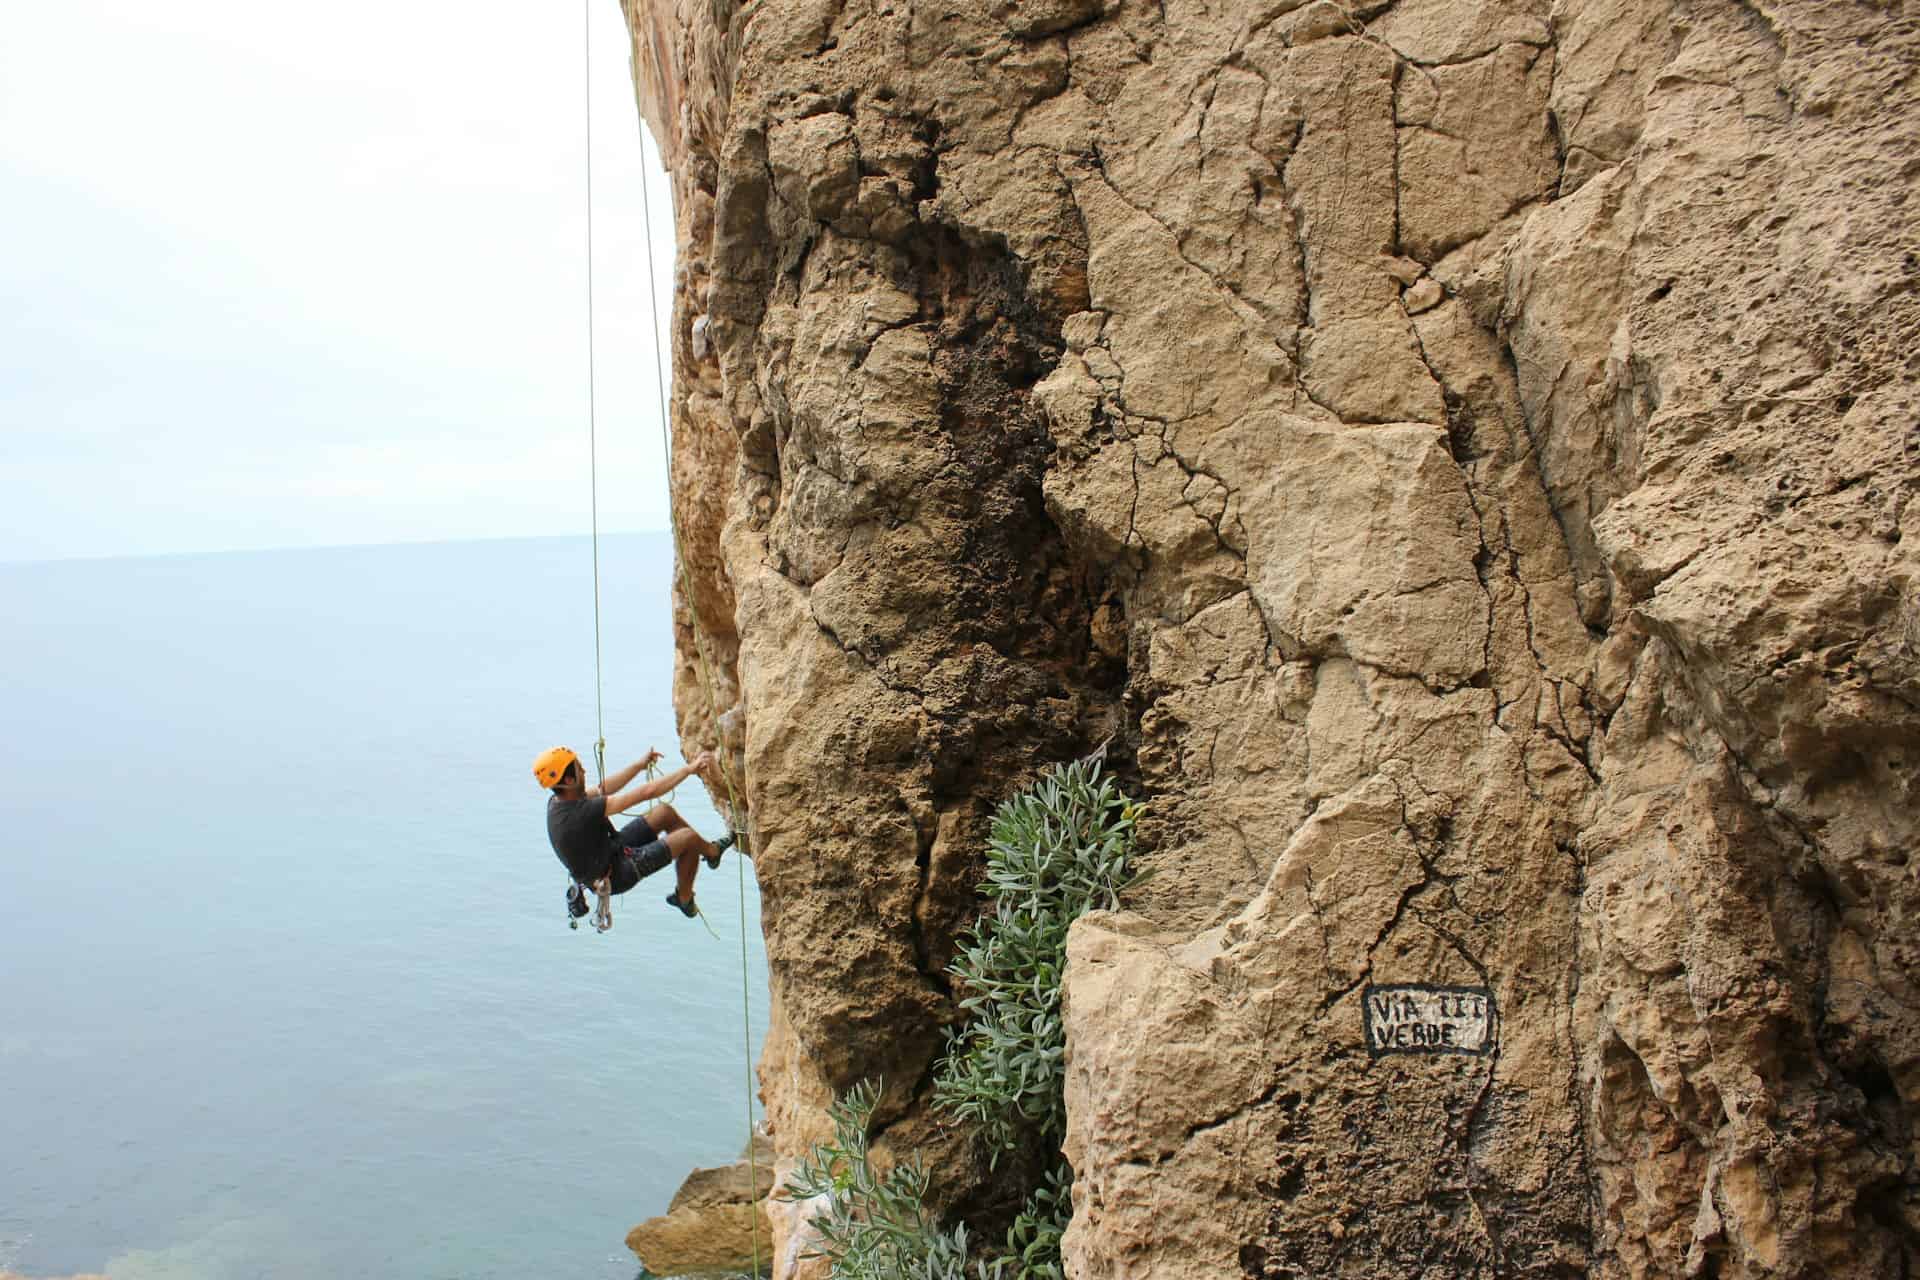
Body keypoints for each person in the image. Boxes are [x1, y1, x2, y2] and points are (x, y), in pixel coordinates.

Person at [533, 746, 734, 919]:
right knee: (688, 838)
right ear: (569, 781)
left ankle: (709, 853)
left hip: (612, 851)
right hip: (615, 875)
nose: (584, 771)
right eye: (579, 768)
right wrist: (688, 770)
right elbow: (646, 793)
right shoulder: (579, 813)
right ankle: (686, 894)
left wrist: (639, 765)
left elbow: (603, 788)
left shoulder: (560, 800)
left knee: (663, 813)